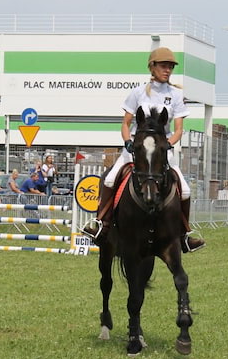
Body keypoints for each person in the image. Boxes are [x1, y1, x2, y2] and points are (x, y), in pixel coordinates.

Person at [82, 47, 205, 252]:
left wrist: (167, 145)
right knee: (111, 178)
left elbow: (179, 129)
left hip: (162, 152)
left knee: (185, 190)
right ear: (152, 67)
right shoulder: (138, 92)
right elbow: (125, 123)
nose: (168, 70)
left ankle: (184, 235)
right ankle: (100, 224)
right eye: (164, 66)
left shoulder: (176, 94)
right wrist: (127, 141)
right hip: (135, 149)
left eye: (171, 67)